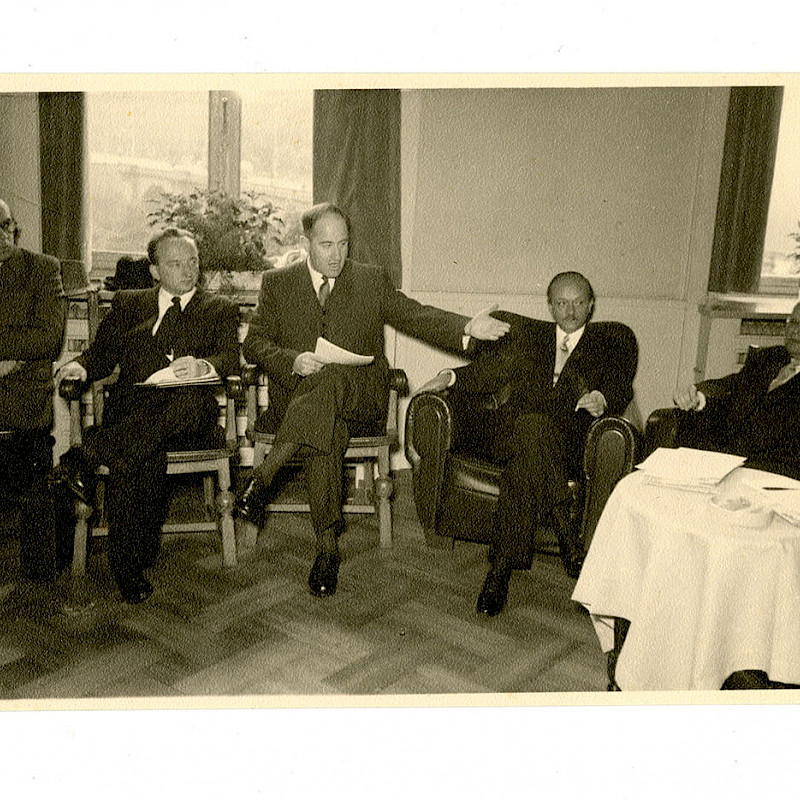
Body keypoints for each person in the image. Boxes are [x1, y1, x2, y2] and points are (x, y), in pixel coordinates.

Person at [237, 202, 510, 598]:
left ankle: (262, 479)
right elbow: (254, 343)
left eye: (343, 244)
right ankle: (326, 549)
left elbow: (415, 314)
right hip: (302, 401)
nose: (336, 255)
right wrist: (292, 360)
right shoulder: (277, 283)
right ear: (307, 243)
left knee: (330, 386)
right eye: (326, 245)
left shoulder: (370, 280)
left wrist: (466, 326)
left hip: (361, 398)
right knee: (324, 427)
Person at [419, 271, 637, 616]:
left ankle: (500, 569)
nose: (570, 311)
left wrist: (601, 397)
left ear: (591, 305)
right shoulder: (529, 338)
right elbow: (489, 372)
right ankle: (565, 530)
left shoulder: (607, 344)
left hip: (565, 444)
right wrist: (449, 376)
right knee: (530, 430)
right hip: (513, 433)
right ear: (550, 305)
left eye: (578, 302)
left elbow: (620, 384)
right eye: (561, 303)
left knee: (530, 449)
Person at [53, 227, 240, 604]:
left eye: (193, 262)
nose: (188, 271)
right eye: (175, 263)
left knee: (174, 413)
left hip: (188, 413)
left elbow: (228, 359)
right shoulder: (129, 303)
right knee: (139, 454)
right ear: (154, 271)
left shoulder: (219, 308)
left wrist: (202, 366)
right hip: (138, 413)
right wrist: (79, 369)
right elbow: (101, 355)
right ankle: (129, 567)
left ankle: (88, 453)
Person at [0, 198, 67, 581]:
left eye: (6, 225)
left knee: (34, 483)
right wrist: (12, 351)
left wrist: (13, 360)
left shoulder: (43, 269)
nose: (2, 236)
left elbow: (47, 339)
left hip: (23, 398)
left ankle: (40, 579)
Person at [672, 301, 800, 479]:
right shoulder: (769, 357)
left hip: (768, 471)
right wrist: (697, 396)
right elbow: (731, 385)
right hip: (727, 458)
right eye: (793, 322)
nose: (795, 331)